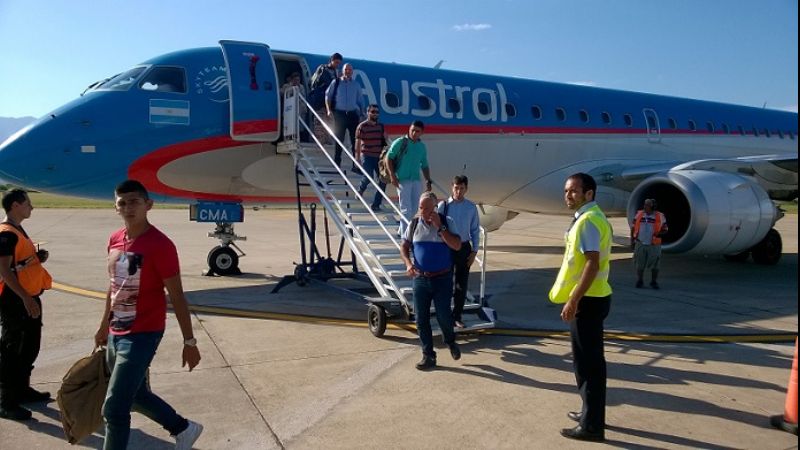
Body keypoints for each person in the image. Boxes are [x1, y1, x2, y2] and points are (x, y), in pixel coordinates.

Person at [94, 180, 203, 449]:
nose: (128, 207)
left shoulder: (160, 245)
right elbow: (114, 288)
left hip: (143, 333)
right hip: (115, 330)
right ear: (115, 207)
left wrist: (190, 342)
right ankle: (183, 428)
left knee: (114, 410)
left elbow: (177, 296)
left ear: (148, 205)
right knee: (136, 394)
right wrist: (102, 327)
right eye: (122, 202)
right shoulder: (115, 240)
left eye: (134, 201)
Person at [549, 173, 612, 442]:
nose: (568, 195)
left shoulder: (587, 222)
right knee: (589, 362)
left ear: (589, 194)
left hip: (587, 301)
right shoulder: (592, 217)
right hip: (594, 297)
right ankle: (590, 412)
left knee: (588, 365)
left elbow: (591, 264)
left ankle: (592, 426)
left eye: (574, 191)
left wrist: (573, 300)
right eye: (566, 191)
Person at [0, 189, 52, 421]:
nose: (32, 207)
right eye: (28, 203)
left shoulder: (17, 230)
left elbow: (16, 264)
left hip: (28, 296)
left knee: (30, 347)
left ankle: (22, 389)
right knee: (13, 350)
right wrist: (25, 297)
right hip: (15, 300)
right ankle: (6, 401)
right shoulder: (6, 234)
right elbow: (3, 270)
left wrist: (35, 259)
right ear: (15, 206)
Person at [400, 192, 462, 370]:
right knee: (421, 318)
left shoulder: (447, 221)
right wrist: (408, 263)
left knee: (443, 316)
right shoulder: (413, 224)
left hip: (442, 278)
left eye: (427, 208)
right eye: (421, 207)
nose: (423, 211)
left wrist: (440, 228)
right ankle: (428, 355)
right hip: (421, 278)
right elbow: (404, 246)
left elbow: (457, 245)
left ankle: (450, 342)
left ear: (435, 208)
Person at [437, 176, 480, 328]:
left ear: (466, 189)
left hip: (463, 247)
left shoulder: (471, 207)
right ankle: (444, 314)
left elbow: (475, 230)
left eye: (461, 188)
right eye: (456, 188)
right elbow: (437, 228)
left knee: (461, 285)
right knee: (445, 283)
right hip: (447, 247)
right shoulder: (443, 206)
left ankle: (457, 316)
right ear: (451, 187)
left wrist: (474, 251)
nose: (458, 191)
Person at [387, 120, 433, 236]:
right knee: (405, 209)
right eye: (412, 130)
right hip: (402, 179)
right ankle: (405, 237)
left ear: (422, 133)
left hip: (415, 179)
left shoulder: (421, 147)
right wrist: (392, 175)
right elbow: (389, 157)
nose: (414, 133)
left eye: (417, 131)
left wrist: (428, 179)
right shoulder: (401, 142)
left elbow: (424, 164)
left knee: (414, 209)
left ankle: (401, 231)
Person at [326, 63, 364, 166]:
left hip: (352, 114)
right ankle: (337, 162)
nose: (348, 71)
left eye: (350, 70)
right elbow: (328, 97)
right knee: (339, 139)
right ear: (343, 71)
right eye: (346, 69)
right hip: (340, 114)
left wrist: (362, 114)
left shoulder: (356, 85)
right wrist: (329, 110)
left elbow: (360, 100)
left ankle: (355, 164)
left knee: (354, 140)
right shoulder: (336, 82)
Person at [355, 104, 388, 212]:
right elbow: (358, 142)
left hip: (378, 157)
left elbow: (385, 140)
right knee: (368, 176)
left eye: (377, 112)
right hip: (367, 155)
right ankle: (360, 189)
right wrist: (357, 157)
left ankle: (376, 204)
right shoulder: (362, 126)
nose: (375, 114)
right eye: (373, 112)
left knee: (383, 180)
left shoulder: (381, 126)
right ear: (368, 112)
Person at [630, 198, 668, 289]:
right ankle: (640, 280)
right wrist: (632, 241)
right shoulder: (639, 214)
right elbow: (633, 228)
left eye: (647, 205)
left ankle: (653, 281)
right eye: (645, 205)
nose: (645, 207)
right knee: (639, 263)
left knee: (655, 264)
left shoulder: (659, 216)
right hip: (640, 242)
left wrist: (658, 234)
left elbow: (665, 229)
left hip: (653, 244)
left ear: (653, 207)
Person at [309, 53, 342, 144]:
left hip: (330, 104)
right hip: (320, 101)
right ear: (331, 60)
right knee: (319, 125)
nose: (337, 65)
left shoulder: (336, 72)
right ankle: (320, 142)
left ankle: (328, 141)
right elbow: (314, 83)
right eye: (335, 62)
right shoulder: (323, 69)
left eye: (338, 63)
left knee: (330, 125)